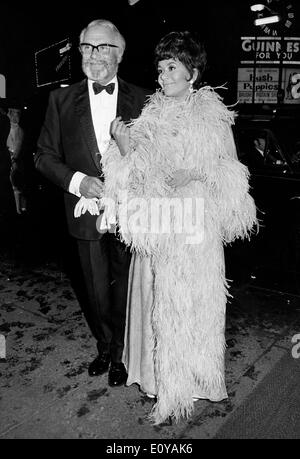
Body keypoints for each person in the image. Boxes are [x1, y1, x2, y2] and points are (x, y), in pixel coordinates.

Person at [76, 31, 257, 424]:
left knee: (192, 307)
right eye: (160, 69)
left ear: (192, 73)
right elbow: (131, 176)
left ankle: (193, 383)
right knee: (159, 308)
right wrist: (124, 148)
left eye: (172, 67)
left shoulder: (212, 114)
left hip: (196, 230)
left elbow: (232, 172)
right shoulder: (151, 115)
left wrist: (194, 171)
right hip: (158, 229)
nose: (163, 76)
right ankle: (162, 385)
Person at [35, 19, 150, 387]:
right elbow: (42, 156)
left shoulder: (145, 100)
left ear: (120, 53)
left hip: (131, 214)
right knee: (97, 290)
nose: (93, 55)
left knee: (126, 288)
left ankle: (122, 353)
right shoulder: (60, 99)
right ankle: (105, 348)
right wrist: (78, 181)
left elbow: (157, 158)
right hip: (85, 215)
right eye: (87, 47)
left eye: (102, 47)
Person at [6, 106, 27, 214]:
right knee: (15, 185)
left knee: (17, 186)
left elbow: (18, 146)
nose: (12, 115)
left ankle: (21, 209)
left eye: (15, 113)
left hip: (15, 160)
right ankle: (19, 209)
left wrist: (14, 159)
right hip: (11, 159)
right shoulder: (9, 127)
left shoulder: (19, 130)